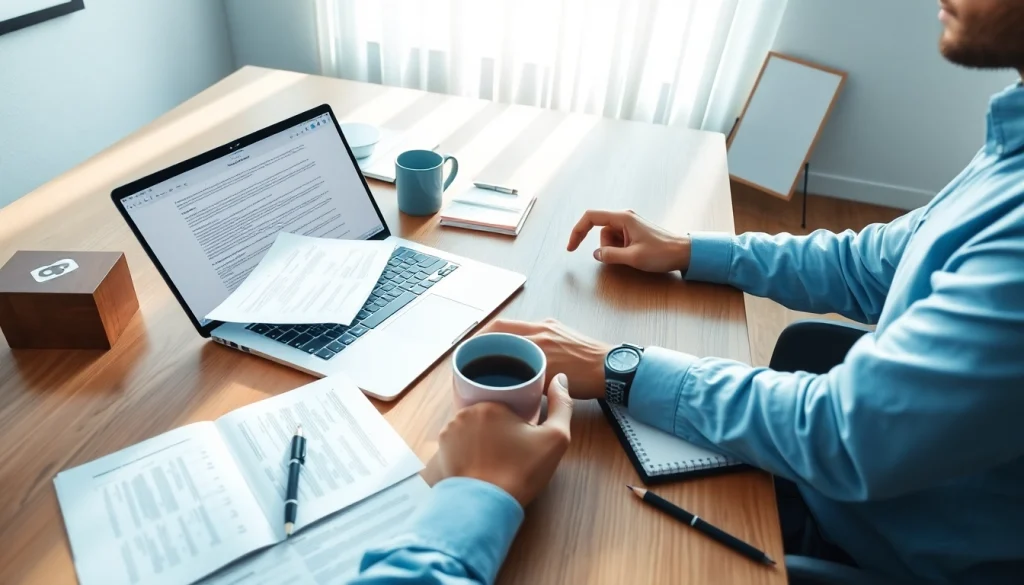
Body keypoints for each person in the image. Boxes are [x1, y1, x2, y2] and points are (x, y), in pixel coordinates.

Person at [351, 1, 1024, 583]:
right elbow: (866, 266)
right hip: (847, 492)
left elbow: (844, 435)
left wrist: (619, 366)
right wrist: (688, 249)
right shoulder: (1009, 151)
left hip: (877, 548)